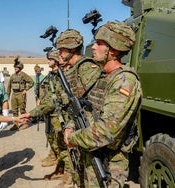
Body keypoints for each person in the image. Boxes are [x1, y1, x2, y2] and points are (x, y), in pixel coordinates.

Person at [64, 21, 142, 187]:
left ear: (113, 50)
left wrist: (72, 138)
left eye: (99, 43)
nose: (92, 47)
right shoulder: (102, 77)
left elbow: (106, 131)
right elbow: (85, 109)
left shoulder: (124, 81)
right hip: (91, 153)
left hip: (109, 161)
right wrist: (70, 126)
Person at [7, 56, 34, 131]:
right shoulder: (12, 76)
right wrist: (7, 96)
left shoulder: (23, 75)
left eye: (16, 67)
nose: (15, 68)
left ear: (20, 67)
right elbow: (9, 86)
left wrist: (26, 89)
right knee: (14, 110)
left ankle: (25, 123)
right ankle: (16, 125)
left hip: (21, 94)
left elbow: (31, 82)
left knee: (22, 110)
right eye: (14, 67)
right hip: (14, 94)